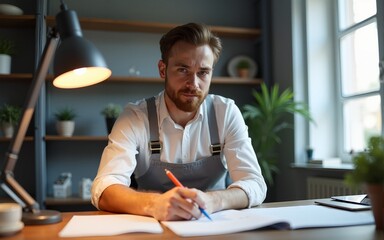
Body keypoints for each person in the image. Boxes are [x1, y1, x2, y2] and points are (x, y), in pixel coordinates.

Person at [91, 22, 267, 221]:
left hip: (213, 226)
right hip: (153, 226)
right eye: (183, 70)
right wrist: (154, 203)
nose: (193, 83)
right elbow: (104, 187)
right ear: (163, 69)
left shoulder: (225, 113)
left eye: (203, 72)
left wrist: (212, 201)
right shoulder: (135, 117)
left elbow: (254, 183)